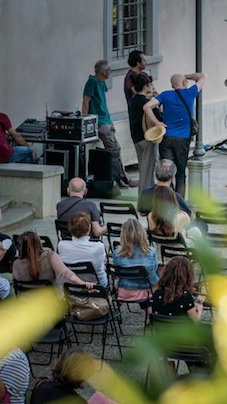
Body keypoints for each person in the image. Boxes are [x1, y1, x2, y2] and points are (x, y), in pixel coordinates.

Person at [155, 71, 206, 195]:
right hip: (182, 139)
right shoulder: (190, 93)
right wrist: (186, 76)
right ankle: (179, 200)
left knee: (166, 169)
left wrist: (157, 122)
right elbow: (202, 77)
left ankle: (166, 195)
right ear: (184, 83)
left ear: (173, 85)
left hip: (166, 137)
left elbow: (146, 107)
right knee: (181, 172)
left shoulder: (165, 95)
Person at [82, 59, 128, 188]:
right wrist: (85, 120)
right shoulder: (92, 82)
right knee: (113, 149)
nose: (110, 72)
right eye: (109, 70)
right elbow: (86, 101)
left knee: (116, 148)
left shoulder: (101, 83)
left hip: (106, 119)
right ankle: (118, 179)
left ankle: (122, 177)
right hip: (101, 121)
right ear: (103, 72)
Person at [12, 231, 91, 289]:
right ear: (39, 243)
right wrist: (83, 283)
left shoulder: (16, 264)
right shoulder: (50, 257)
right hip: (51, 305)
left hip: (25, 305)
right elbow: (66, 273)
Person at [127, 70, 161, 198]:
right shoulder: (146, 104)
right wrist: (157, 102)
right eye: (150, 85)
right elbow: (159, 116)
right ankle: (145, 200)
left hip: (136, 138)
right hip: (147, 139)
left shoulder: (134, 101)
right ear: (146, 86)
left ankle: (146, 197)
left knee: (143, 169)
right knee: (147, 171)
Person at [58, 213, 109, 286]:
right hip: (97, 285)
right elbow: (100, 264)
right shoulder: (98, 246)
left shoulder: (61, 245)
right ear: (89, 228)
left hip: (71, 285)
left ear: (69, 228)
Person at [151, 256, 204, 321]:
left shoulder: (157, 293)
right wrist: (199, 311)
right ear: (187, 276)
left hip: (159, 330)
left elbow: (150, 314)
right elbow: (195, 322)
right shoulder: (186, 297)